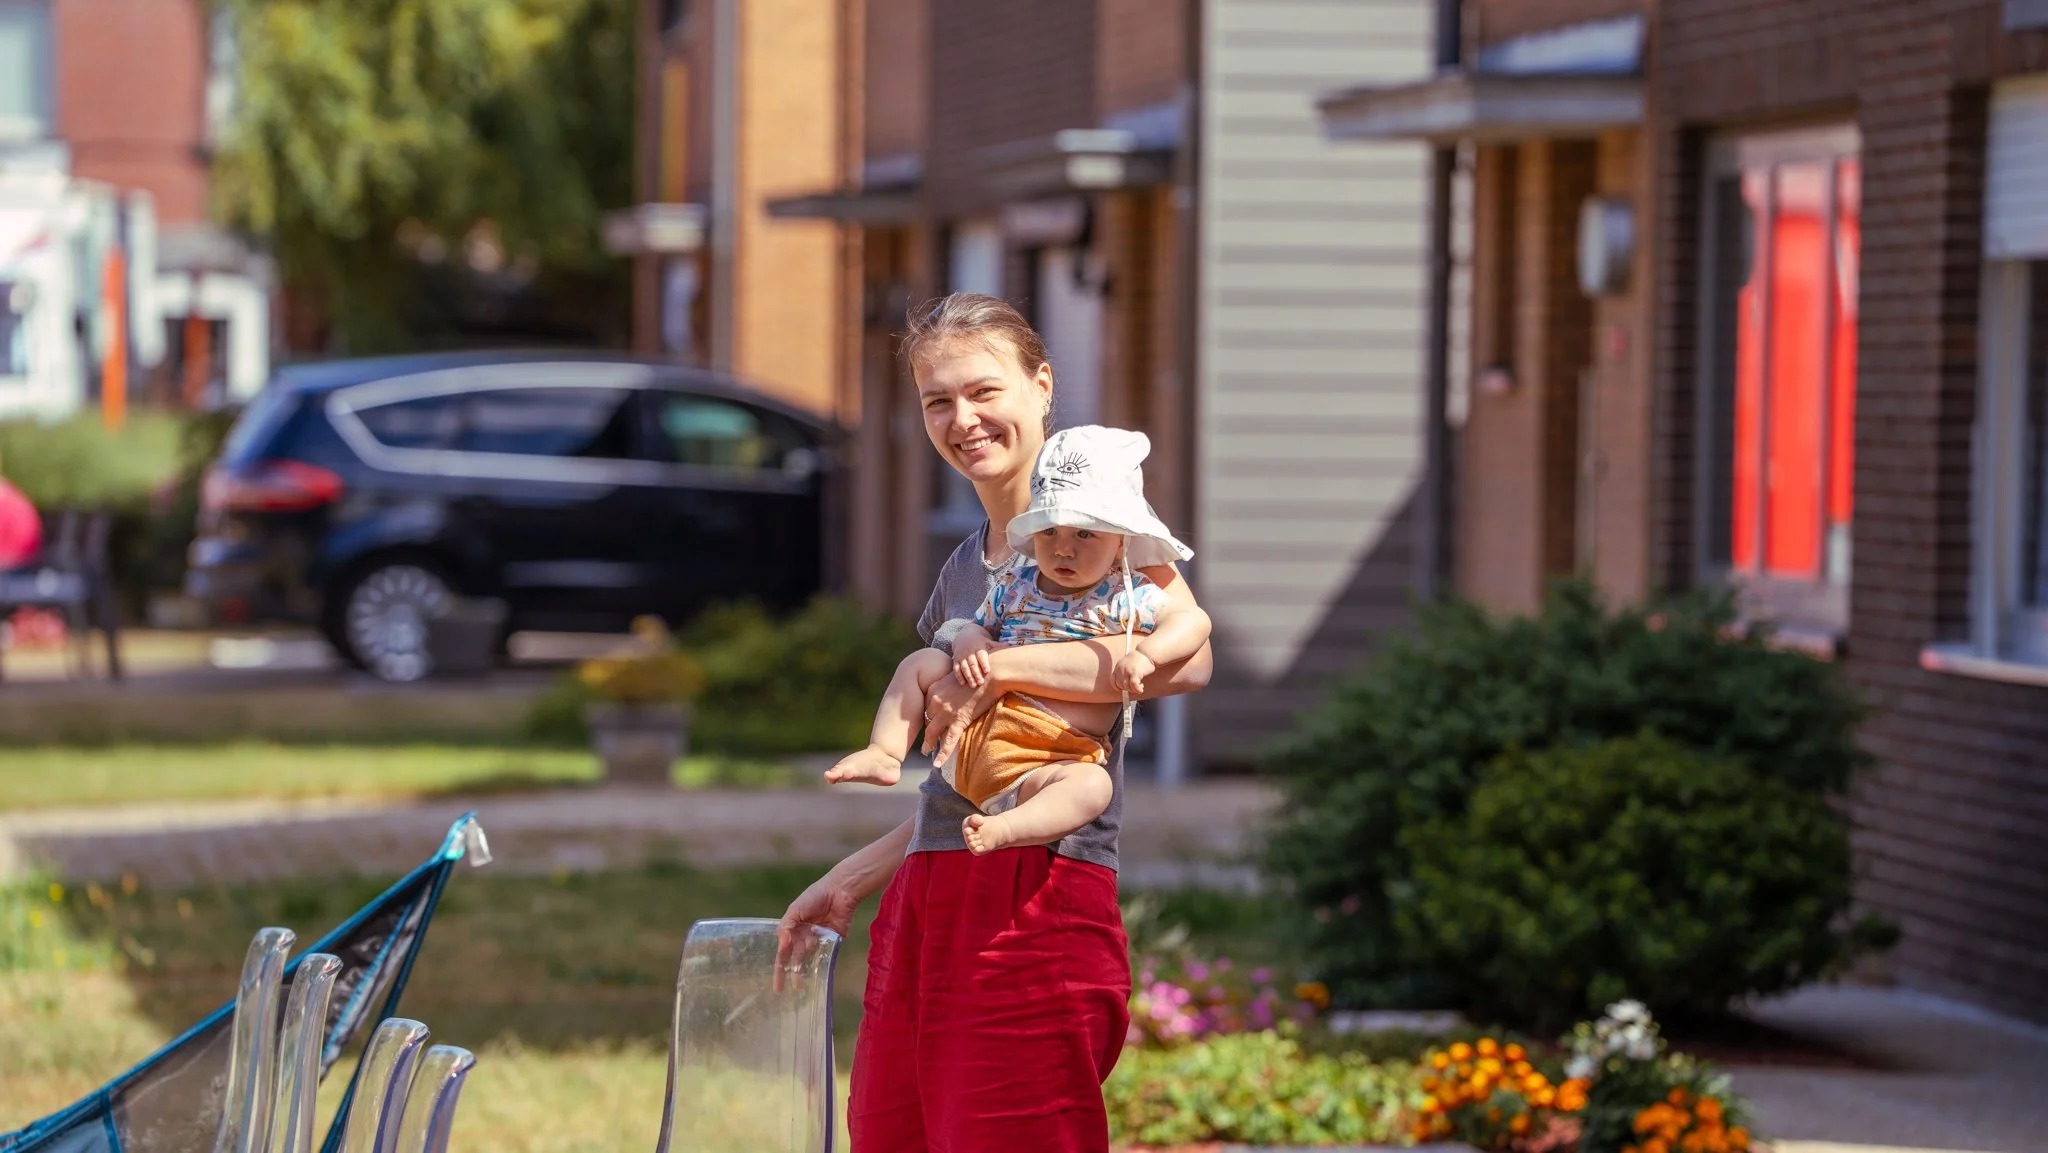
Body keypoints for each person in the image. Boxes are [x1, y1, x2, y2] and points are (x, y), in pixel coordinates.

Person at [776, 293, 1212, 1152]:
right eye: (938, 400)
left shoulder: (1105, 535)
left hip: (1038, 889)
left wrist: (998, 663)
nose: (962, 419)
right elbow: (964, 785)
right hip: (931, 895)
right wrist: (854, 878)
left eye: (984, 391)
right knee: (892, 1136)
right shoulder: (960, 573)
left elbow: (1187, 658)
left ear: (1042, 385)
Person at [825, 424, 1211, 858]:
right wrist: (971, 641)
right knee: (922, 662)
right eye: (1049, 532)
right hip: (973, 737)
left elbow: (1192, 622)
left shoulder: (1125, 595)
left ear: (1121, 542)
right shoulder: (1018, 582)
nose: (1064, 549)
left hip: (1045, 761)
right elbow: (978, 624)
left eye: (1085, 534)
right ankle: (885, 750)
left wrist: (1147, 654)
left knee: (1091, 786)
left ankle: (1006, 827)